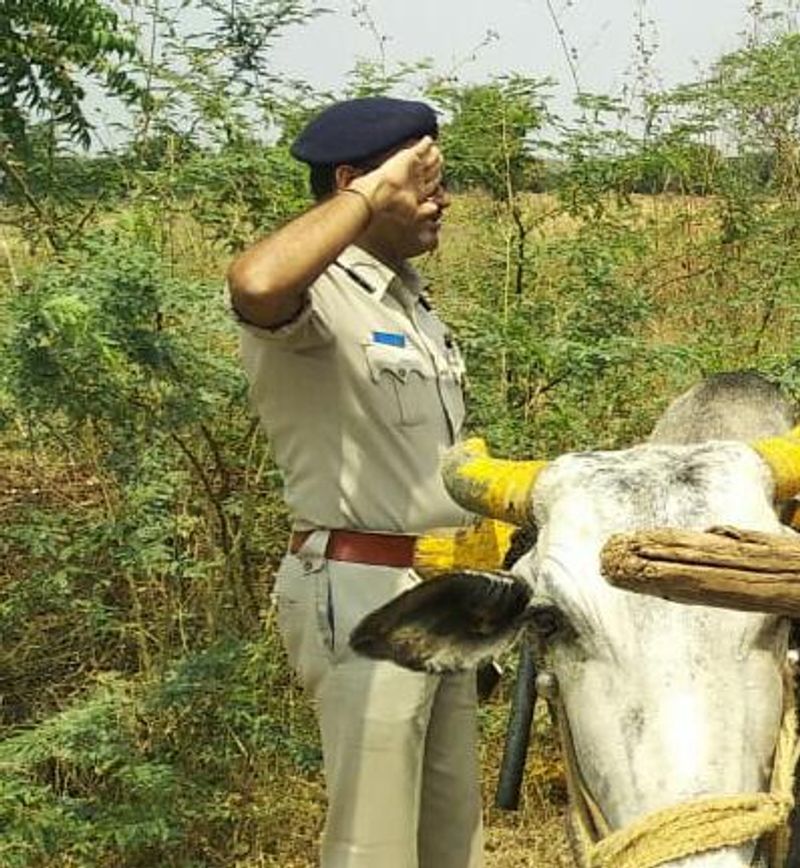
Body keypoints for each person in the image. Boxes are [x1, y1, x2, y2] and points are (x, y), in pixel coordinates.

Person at [227, 96, 483, 868]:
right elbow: (256, 281)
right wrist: (372, 192)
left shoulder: (410, 303)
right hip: (361, 588)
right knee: (373, 844)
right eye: (422, 179)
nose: (440, 198)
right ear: (351, 182)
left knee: (449, 839)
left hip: (443, 590)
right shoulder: (320, 295)